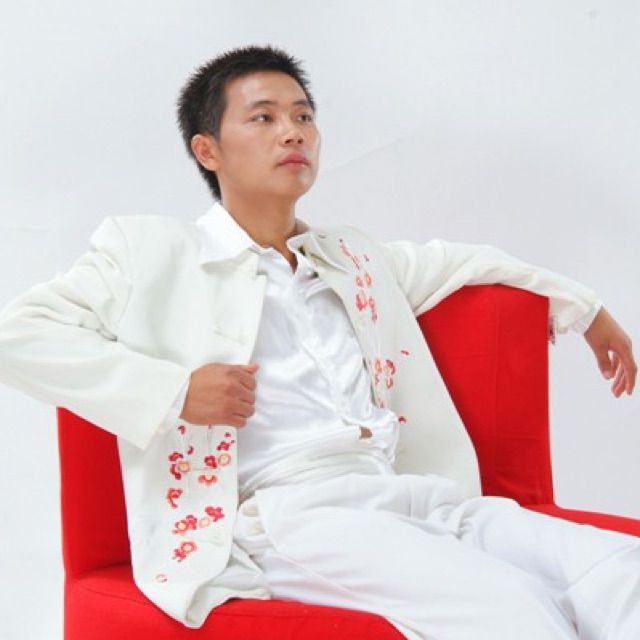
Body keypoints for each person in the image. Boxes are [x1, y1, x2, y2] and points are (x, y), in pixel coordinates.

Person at [0, 44, 637, 639]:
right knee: (510, 609)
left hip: (416, 496)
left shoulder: (350, 257)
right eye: (264, 117)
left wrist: (586, 310)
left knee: (619, 573)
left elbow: (462, 261)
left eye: (303, 115)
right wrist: (173, 393)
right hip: (295, 517)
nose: (293, 132)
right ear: (207, 150)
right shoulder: (151, 253)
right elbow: (16, 335)